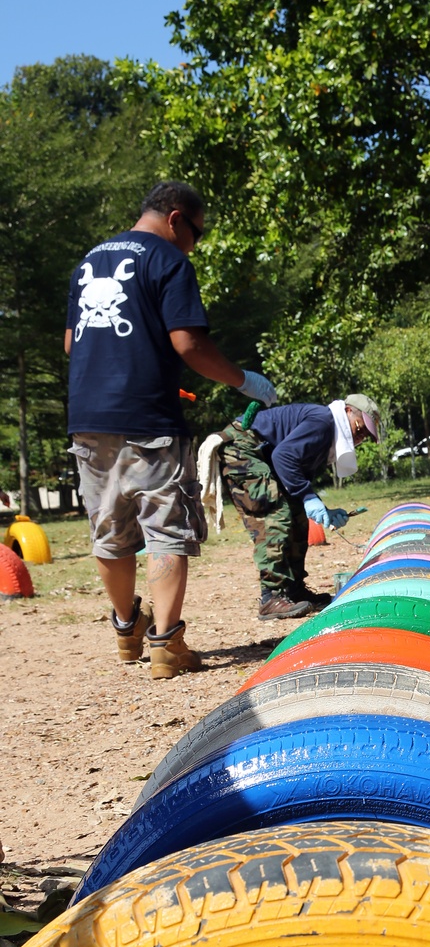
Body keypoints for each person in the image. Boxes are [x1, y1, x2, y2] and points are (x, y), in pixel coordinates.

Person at [65, 180, 277, 679]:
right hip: (147, 417)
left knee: (110, 529)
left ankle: (126, 630)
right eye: (196, 233)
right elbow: (189, 345)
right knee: (165, 528)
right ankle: (166, 644)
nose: (193, 244)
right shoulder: (167, 260)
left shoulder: (87, 262)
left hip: (88, 419)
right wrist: (243, 379)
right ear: (177, 218)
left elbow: (74, 345)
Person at [217, 394, 381, 619]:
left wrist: (321, 507)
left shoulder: (329, 434)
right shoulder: (324, 422)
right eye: (360, 428)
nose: (360, 438)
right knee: (276, 512)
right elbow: (283, 456)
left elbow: (297, 474)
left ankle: (294, 590)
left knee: (297, 514)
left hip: (262, 455)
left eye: (366, 436)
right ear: (348, 412)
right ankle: (270, 596)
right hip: (242, 446)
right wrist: (308, 497)